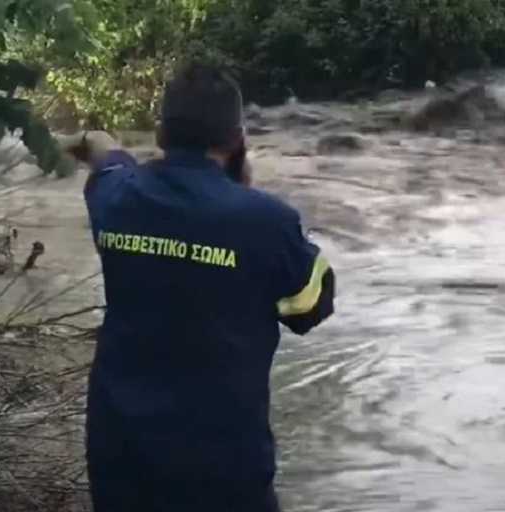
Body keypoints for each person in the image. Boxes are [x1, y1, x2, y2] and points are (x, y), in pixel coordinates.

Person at [59, 63, 336, 512]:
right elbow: (311, 305)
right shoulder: (265, 220)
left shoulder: (116, 198)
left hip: (121, 452)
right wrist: (247, 195)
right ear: (236, 138)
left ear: (161, 134)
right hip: (224, 463)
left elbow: (108, 159)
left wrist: (97, 143)